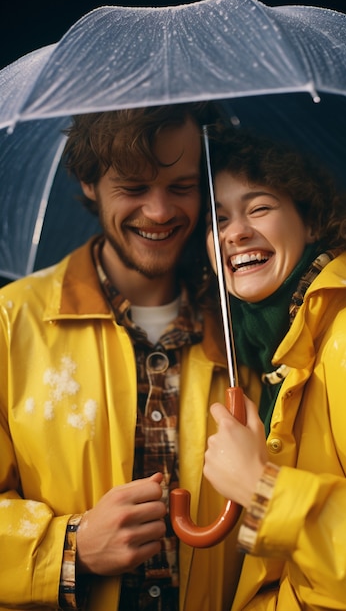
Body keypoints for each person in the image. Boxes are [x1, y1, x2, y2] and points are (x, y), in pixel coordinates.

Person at [0, 105, 261, 611]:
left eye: (181, 186)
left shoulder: (247, 329)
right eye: (134, 188)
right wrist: (71, 546)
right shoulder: (10, 325)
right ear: (89, 181)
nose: (160, 212)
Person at [203, 125, 346, 610]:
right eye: (217, 220)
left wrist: (263, 488)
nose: (236, 232)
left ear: (312, 220)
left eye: (259, 208)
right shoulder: (269, 358)